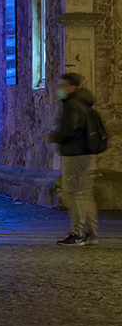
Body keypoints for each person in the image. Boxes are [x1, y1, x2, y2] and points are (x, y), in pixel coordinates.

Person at [46, 71, 101, 245]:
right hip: (84, 154)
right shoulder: (84, 103)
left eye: (62, 86)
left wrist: (54, 137)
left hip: (74, 154)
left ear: (72, 88)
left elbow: (70, 129)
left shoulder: (72, 104)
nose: (59, 89)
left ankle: (77, 233)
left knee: (72, 193)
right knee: (84, 194)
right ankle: (91, 234)